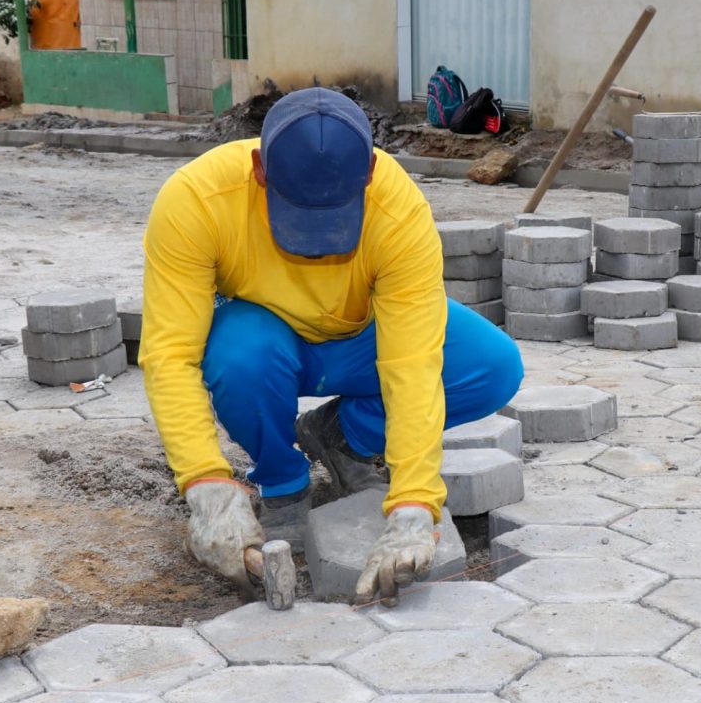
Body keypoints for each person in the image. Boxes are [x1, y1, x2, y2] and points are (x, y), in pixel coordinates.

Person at [140, 87, 523, 606]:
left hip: (361, 338)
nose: (318, 244)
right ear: (259, 169)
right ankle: (282, 482)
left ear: (368, 172)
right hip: (267, 343)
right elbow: (171, 354)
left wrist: (414, 504)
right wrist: (205, 484)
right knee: (238, 355)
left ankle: (343, 436)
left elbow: (412, 364)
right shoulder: (196, 201)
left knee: (493, 367)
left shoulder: (398, 209)